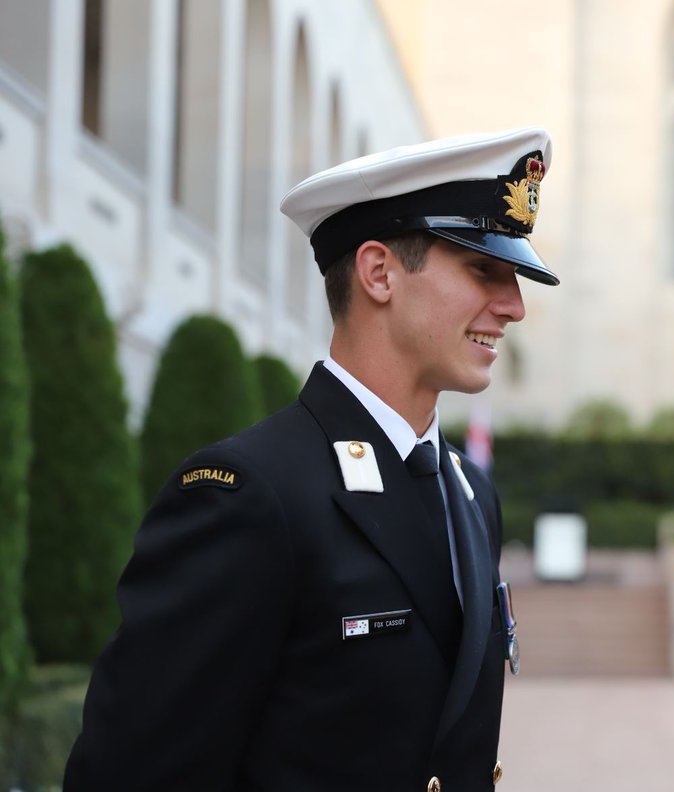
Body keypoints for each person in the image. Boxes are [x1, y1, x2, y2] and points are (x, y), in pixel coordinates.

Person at [64, 127, 557, 791]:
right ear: (379, 272)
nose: (514, 306)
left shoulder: (470, 494)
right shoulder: (246, 494)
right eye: (484, 269)